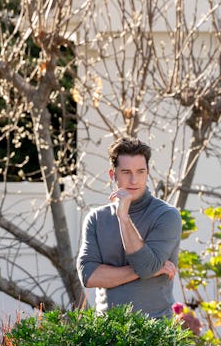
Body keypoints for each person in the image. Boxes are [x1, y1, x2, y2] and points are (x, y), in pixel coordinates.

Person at [77, 136, 182, 317]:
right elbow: (89, 276)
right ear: (113, 174)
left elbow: (146, 267)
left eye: (140, 171)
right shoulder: (96, 218)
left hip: (154, 330)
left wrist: (123, 218)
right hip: (106, 331)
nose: (134, 180)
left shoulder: (166, 215)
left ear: (147, 172)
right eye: (126, 172)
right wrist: (149, 270)